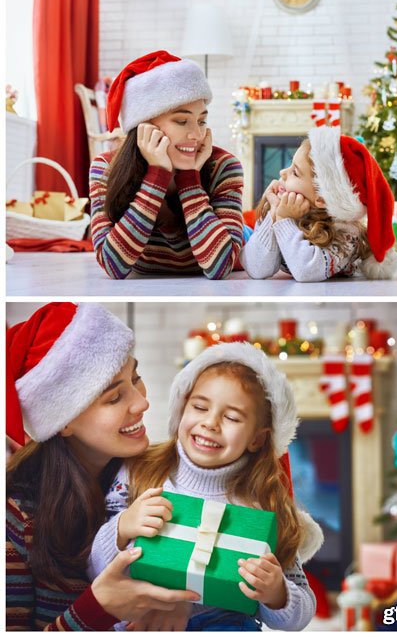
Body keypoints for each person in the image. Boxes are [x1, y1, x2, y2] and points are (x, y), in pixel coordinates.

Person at [88, 342, 323, 631]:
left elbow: (301, 613)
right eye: (199, 407)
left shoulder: (264, 504)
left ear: (258, 439)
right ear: (181, 409)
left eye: (232, 417)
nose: (210, 423)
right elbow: (92, 569)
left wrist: (277, 594)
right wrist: (122, 526)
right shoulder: (138, 475)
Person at [6, 302, 199, 630]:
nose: (142, 402)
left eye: (136, 377)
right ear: (64, 421)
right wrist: (98, 607)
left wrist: (181, 603)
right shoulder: (16, 514)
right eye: (113, 398)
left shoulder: (157, 477)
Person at [90, 50, 244, 279]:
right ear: (144, 127)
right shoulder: (105, 168)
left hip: (240, 242)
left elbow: (219, 268)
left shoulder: (224, 165)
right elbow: (114, 267)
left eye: (202, 121)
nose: (197, 134)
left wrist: (190, 176)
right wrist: (157, 175)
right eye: (182, 121)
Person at [240, 126, 397, 282]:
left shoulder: (346, 232)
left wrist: (283, 219)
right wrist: (274, 213)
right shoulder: (281, 208)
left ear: (322, 198)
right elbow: (257, 269)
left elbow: (306, 271)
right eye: (290, 165)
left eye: (295, 172)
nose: (282, 172)